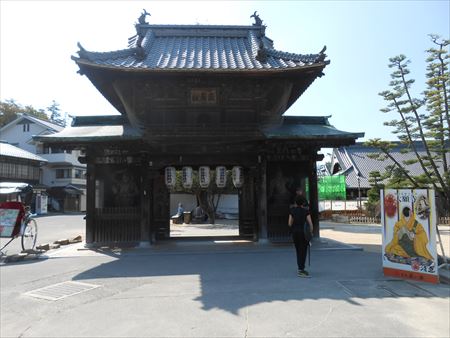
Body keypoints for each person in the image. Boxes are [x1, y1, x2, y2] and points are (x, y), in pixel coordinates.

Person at [288, 195, 314, 278]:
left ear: (295, 202)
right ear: (303, 203)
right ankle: (301, 269)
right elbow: (310, 224)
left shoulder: (292, 211)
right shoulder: (306, 211)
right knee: (304, 250)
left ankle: (300, 268)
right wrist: (311, 232)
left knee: (298, 250)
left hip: (295, 232)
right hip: (303, 233)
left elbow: (289, 223)